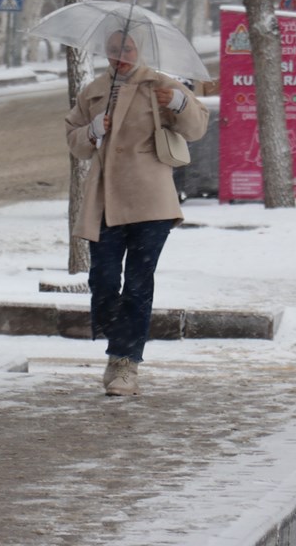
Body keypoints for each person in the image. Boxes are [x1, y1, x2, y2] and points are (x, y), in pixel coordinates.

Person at [64, 30, 208, 396]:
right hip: (106, 199)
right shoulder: (94, 91)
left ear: (140, 50)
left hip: (151, 199)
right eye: (113, 50)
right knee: (104, 281)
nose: (120, 56)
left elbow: (196, 128)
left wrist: (177, 103)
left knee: (139, 282)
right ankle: (120, 349)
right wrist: (93, 131)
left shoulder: (161, 85)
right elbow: (74, 141)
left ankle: (126, 363)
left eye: (127, 49)